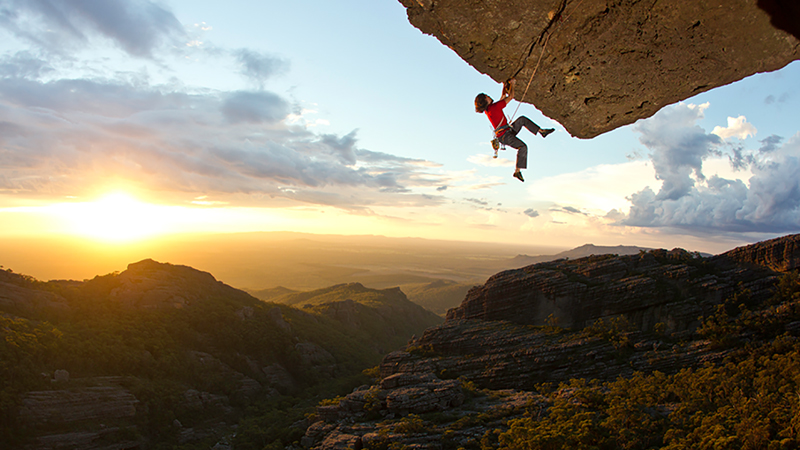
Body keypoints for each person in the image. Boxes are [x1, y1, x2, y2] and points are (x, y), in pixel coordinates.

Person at [475, 79, 554, 182]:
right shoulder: (493, 108)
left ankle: (541, 131)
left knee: (522, 120)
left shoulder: (489, 110)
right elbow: (510, 97)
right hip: (505, 136)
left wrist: (504, 86)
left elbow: (502, 98)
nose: (489, 96)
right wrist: (513, 84)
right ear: (485, 100)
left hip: (506, 132)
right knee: (523, 146)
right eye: (487, 96)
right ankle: (517, 171)